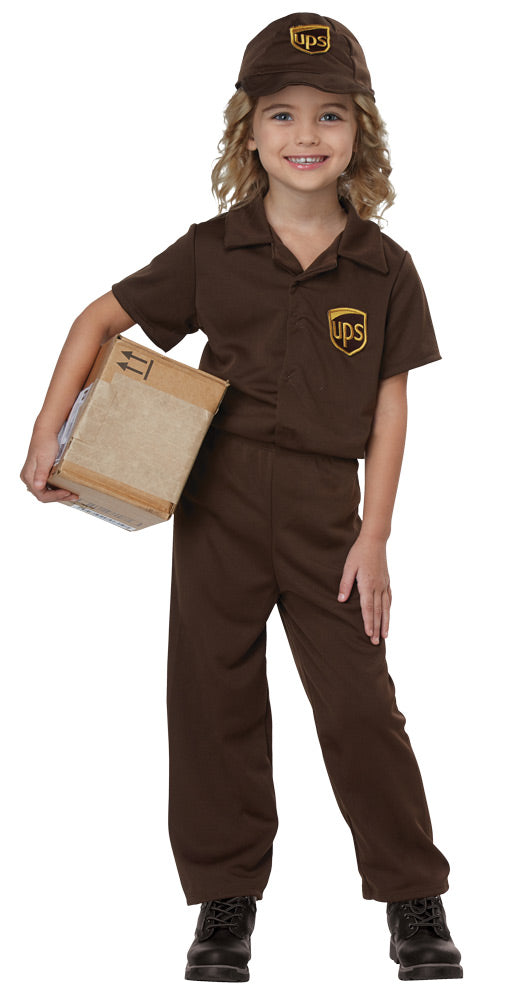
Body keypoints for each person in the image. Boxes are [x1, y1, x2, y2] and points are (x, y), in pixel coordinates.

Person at [20, 10, 463, 985]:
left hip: (324, 514)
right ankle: (225, 899)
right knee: (211, 699)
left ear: (360, 132)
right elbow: (99, 319)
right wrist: (50, 433)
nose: (307, 135)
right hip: (215, 502)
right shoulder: (212, 251)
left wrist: (376, 536)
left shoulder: (385, 268)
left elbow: (391, 407)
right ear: (249, 132)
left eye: (331, 114)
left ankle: (412, 895)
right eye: (282, 114)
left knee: (359, 705)